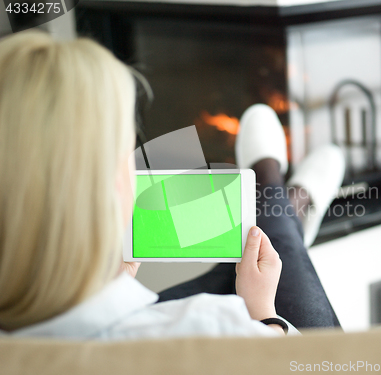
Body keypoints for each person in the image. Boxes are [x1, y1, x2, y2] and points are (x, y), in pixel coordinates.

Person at [0, 31, 344, 339]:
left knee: (246, 249)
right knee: (278, 248)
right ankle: (280, 193)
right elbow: (307, 364)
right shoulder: (212, 327)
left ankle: (285, 201)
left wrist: (102, 290)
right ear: (114, 188)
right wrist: (263, 315)